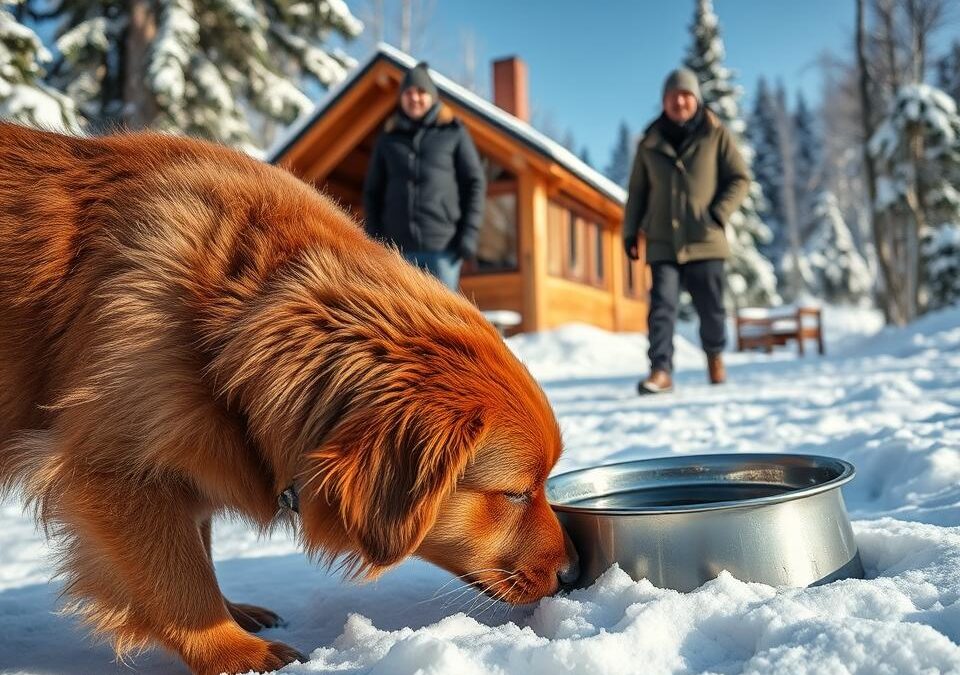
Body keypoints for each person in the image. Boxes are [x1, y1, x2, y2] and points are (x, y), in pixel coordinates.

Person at [623, 67, 749, 394]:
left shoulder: (715, 134)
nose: (679, 102)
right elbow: (637, 191)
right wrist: (630, 231)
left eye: (685, 95)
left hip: (705, 239)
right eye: (672, 96)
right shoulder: (650, 142)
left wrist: (718, 213)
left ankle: (715, 356)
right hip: (663, 240)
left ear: (696, 99)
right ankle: (660, 370)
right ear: (663, 101)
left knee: (711, 308)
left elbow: (739, 178)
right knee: (661, 308)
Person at [363, 61, 486, 291]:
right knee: (401, 312)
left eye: (421, 92)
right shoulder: (388, 139)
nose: (414, 98)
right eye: (408, 93)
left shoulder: (454, 132)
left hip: (444, 249)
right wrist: (375, 239)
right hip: (397, 252)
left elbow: (474, 183)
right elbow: (372, 192)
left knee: (443, 312)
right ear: (401, 98)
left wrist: (468, 235)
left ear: (432, 96)